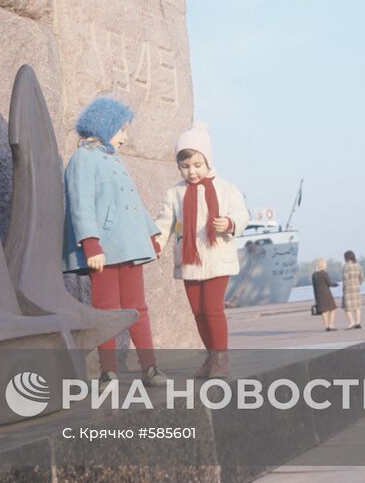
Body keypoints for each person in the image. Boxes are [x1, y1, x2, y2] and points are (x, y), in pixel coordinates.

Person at [61, 96, 166, 387]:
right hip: (105, 249)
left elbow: (132, 201)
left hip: (131, 245)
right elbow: (81, 203)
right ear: (106, 126)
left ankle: (151, 367)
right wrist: (91, 243)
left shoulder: (113, 159)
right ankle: (108, 370)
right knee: (106, 309)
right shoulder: (83, 159)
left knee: (138, 307)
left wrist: (151, 233)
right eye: (122, 129)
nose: (125, 137)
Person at [154, 124, 249, 378]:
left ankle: (222, 359)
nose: (192, 172)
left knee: (213, 309)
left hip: (218, 258)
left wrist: (229, 223)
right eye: (185, 166)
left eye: (197, 165)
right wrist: (156, 242)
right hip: (190, 261)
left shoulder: (225, 188)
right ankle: (211, 357)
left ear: (208, 161)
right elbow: (165, 222)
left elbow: (242, 214)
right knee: (198, 312)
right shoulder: (175, 193)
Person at [311, 258, 340, 331]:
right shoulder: (324, 273)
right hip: (326, 294)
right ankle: (331, 325)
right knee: (332, 309)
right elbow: (329, 283)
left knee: (323, 311)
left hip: (318, 295)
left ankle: (326, 326)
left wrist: (315, 298)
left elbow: (314, 286)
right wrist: (336, 284)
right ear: (323, 265)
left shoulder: (314, 275)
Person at [342, 250, 365, 329]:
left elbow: (345, 278)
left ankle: (351, 322)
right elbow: (362, 277)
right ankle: (358, 322)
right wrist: (358, 283)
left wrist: (345, 287)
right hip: (356, 288)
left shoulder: (346, 266)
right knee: (357, 306)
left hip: (348, 289)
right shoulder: (358, 265)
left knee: (347, 307)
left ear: (346, 258)